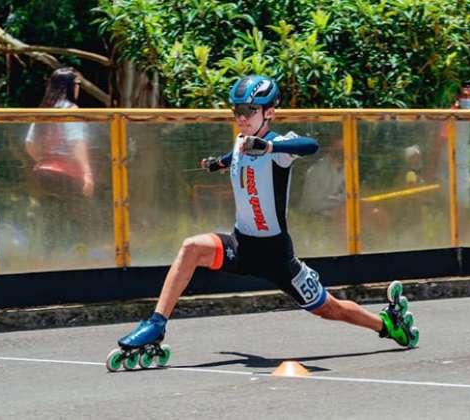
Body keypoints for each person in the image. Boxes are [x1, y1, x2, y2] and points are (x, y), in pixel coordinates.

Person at [108, 75, 418, 369]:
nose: (241, 117)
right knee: (191, 248)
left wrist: (271, 147)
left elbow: (310, 146)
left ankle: (387, 324)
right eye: (237, 111)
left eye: (249, 111)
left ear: (269, 112)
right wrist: (219, 163)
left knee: (329, 308)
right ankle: (155, 325)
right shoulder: (241, 141)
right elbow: (239, 154)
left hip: (276, 256)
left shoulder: (279, 147)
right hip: (242, 245)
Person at [24, 67, 95, 257]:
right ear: (70, 87)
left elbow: (29, 143)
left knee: (50, 217)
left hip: (44, 172)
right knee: (81, 217)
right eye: (78, 84)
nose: (79, 88)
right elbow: (76, 142)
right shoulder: (71, 110)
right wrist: (87, 174)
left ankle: (48, 255)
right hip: (68, 174)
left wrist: (43, 159)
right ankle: (78, 257)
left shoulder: (44, 111)